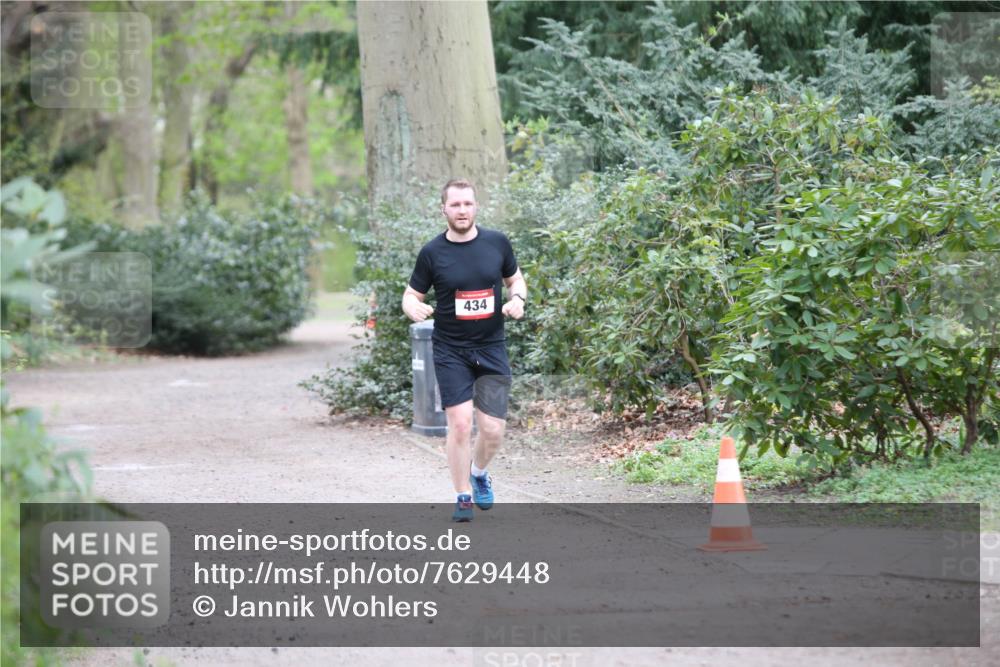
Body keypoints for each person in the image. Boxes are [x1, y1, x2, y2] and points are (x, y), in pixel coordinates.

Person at [402, 178, 526, 521]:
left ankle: (479, 473)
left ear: (476, 207)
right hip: (451, 349)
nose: (462, 210)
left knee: (493, 431)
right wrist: (411, 307)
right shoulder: (432, 253)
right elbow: (411, 294)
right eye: (455, 205)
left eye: (467, 204)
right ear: (444, 208)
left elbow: (515, 279)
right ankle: (462, 496)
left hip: (491, 347)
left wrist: (518, 298)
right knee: (459, 425)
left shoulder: (497, 243)